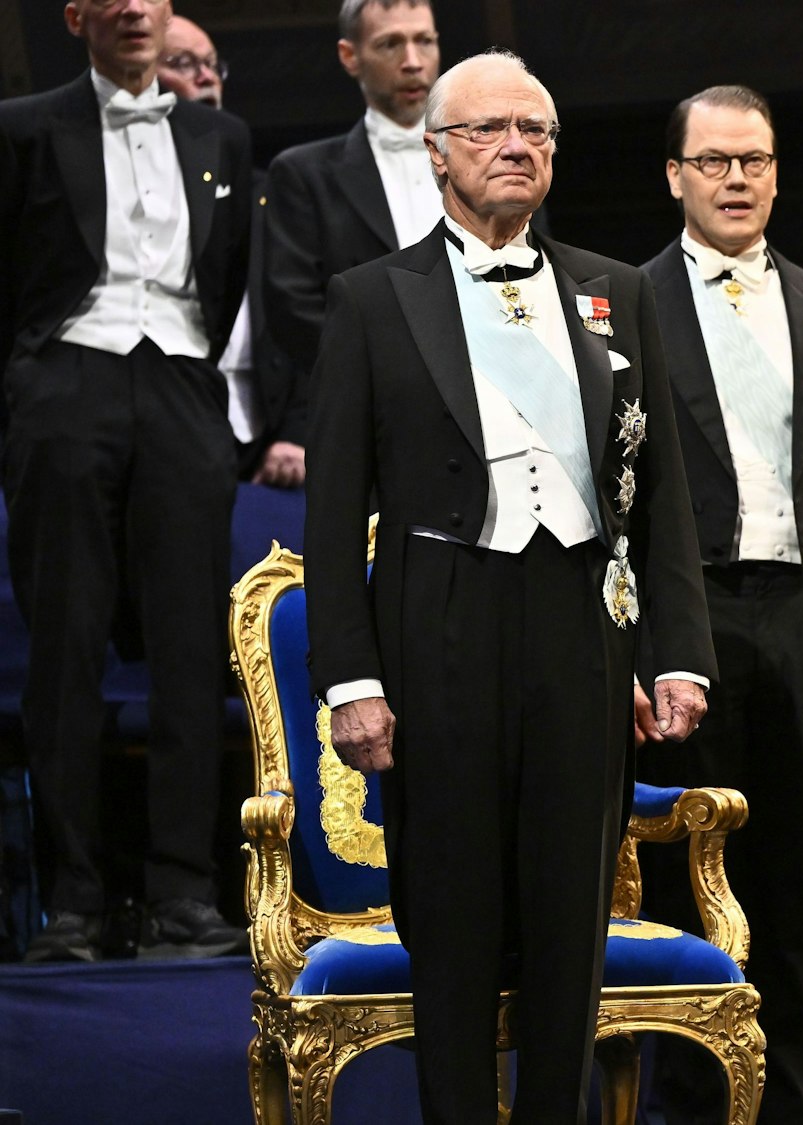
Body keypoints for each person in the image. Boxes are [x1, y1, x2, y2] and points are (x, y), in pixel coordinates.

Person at [306, 50, 715, 1122]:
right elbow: (332, 501)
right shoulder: (371, 299)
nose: (516, 148)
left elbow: (658, 491)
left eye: (535, 131)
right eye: (489, 131)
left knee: (568, 914)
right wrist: (349, 678)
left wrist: (676, 649)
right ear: (437, 155)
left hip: (581, 625)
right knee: (448, 915)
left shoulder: (614, 291)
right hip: (437, 619)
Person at [635, 84, 803, 1125]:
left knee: (792, 904)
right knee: (689, 900)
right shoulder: (624, 302)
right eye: (713, 161)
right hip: (685, 635)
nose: (735, 178)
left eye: (752, 160)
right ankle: (693, 1114)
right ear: (674, 177)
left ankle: (791, 1114)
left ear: (778, 172)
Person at [0, 0, 253, 962]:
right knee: (65, 642)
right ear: (76, 17)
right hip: (66, 377)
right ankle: (74, 898)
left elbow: (224, 276)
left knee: (190, 646)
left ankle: (184, 892)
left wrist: (189, 377)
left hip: (182, 385)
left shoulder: (221, 134)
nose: (132, 9)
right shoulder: (22, 128)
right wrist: (27, 393)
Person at [263, 0, 445, 487]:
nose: (412, 60)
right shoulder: (303, 174)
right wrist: (394, 370)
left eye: (424, 40)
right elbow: (291, 307)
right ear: (350, 56)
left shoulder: (491, 163)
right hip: (367, 421)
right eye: (390, 43)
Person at [156, 13, 285, 483]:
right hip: (166, 436)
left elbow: (312, 320)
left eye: (212, 65)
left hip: (269, 442)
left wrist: (297, 431)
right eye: (183, 63)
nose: (207, 77)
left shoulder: (271, 195)